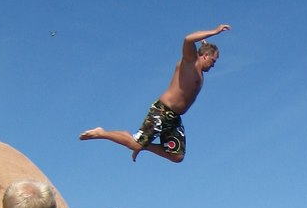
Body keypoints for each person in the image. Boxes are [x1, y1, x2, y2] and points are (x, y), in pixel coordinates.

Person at [79, 24, 231, 163]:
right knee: (135, 144)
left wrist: (204, 44)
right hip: (162, 111)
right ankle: (102, 133)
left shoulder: (199, 70)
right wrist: (215, 31)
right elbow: (188, 39)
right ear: (205, 56)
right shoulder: (191, 62)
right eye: (213, 60)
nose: (213, 65)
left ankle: (143, 146)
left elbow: (200, 47)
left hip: (174, 118)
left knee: (177, 155)